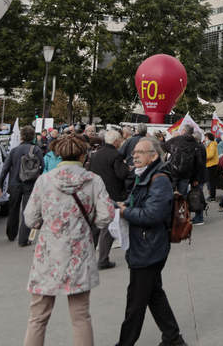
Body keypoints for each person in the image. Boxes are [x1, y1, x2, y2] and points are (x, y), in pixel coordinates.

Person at [22, 135, 113, 346]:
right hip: (79, 253)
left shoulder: (44, 180)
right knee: (81, 316)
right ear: (83, 155)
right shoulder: (93, 180)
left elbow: (30, 218)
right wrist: (89, 222)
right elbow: (106, 215)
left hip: (48, 254)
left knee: (38, 317)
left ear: (58, 154)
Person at [116, 139, 187, 346]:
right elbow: (136, 202)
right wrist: (120, 205)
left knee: (136, 301)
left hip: (149, 247)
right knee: (154, 293)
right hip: (145, 244)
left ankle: (125, 343)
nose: (134, 156)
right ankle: (173, 338)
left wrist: (124, 211)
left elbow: (152, 214)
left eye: (140, 152)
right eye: (134, 152)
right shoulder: (145, 176)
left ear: (154, 156)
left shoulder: (159, 179)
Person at [0, 125, 44, 247]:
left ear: (21, 136)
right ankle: (23, 239)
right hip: (30, 183)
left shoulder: (14, 150)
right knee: (27, 211)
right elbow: (42, 166)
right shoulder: (37, 150)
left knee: (13, 209)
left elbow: (5, 168)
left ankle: (11, 234)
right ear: (33, 136)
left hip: (14, 183)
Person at [88, 129, 129, 270]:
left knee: (94, 227)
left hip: (96, 193)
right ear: (116, 141)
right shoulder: (116, 155)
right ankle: (103, 259)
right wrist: (127, 168)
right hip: (113, 194)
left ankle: (88, 257)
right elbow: (122, 174)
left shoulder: (96, 154)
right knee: (107, 228)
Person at [165, 125, 206, 225]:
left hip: (174, 172)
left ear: (184, 131)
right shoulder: (195, 144)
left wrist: (174, 153)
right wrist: (195, 178)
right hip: (186, 175)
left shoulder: (176, 140)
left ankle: (169, 218)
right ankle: (180, 219)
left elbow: (164, 146)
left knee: (170, 195)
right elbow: (199, 163)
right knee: (182, 197)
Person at [204, 132, 220, 201]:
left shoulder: (212, 144)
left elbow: (211, 155)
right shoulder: (209, 144)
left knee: (211, 181)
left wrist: (203, 156)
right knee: (210, 181)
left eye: (206, 137)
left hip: (212, 164)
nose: (204, 139)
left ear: (209, 138)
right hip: (210, 164)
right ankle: (211, 195)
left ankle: (212, 196)